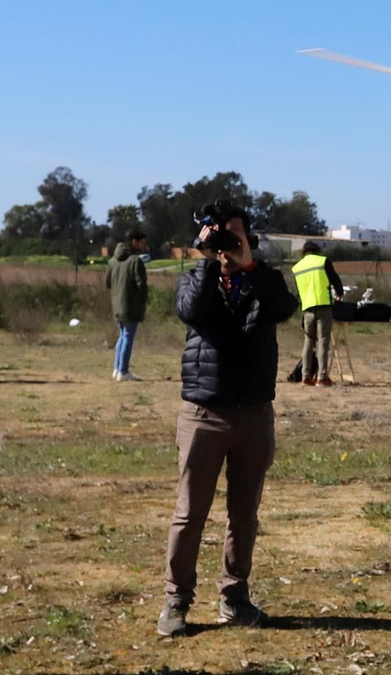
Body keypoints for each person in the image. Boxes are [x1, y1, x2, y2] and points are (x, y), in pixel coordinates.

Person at [159, 202, 297, 637]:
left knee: (244, 514)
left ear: (248, 238)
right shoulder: (194, 278)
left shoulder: (265, 279)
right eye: (218, 237)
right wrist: (205, 261)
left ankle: (234, 598)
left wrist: (249, 264)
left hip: (254, 412)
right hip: (204, 412)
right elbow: (191, 311)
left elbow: (283, 308)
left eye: (233, 236)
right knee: (189, 513)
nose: (225, 245)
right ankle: (176, 601)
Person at [291, 241, 343, 387]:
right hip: (323, 306)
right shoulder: (323, 261)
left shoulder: (297, 267)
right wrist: (339, 293)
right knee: (323, 341)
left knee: (308, 342)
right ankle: (322, 377)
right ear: (317, 250)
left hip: (307, 308)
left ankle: (305, 376)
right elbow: (335, 280)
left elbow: (299, 290)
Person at [107, 230, 150, 381]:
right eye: (142, 241)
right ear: (134, 241)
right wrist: (144, 301)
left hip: (117, 305)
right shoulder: (135, 261)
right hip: (131, 306)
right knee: (127, 336)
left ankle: (117, 368)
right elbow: (141, 285)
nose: (145, 245)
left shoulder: (112, 261)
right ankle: (123, 371)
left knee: (122, 335)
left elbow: (108, 282)